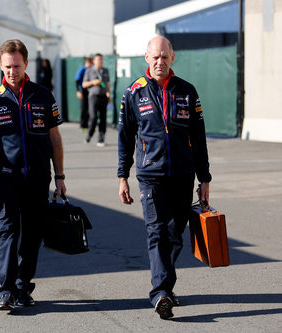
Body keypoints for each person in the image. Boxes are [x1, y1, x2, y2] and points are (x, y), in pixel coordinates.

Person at [117, 36, 212, 320]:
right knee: (156, 231)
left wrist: (204, 177)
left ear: (173, 58)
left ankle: (165, 289)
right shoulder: (133, 92)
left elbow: (199, 137)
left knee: (174, 235)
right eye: (155, 57)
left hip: (182, 175)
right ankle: (160, 293)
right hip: (150, 176)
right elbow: (125, 138)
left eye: (164, 57)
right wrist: (122, 175)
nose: (160, 62)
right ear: (146, 58)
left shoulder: (187, 91)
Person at [0, 39, 66, 311]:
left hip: (38, 178)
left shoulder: (43, 95)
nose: (11, 72)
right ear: (0, 65)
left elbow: (55, 138)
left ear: (26, 63)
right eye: (6, 67)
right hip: (6, 178)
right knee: (6, 232)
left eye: (16, 66)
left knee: (32, 235)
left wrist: (59, 176)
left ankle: (23, 286)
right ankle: (6, 290)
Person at [82, 53, 110, 147]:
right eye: (98, 59)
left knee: (103, 118)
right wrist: (93, 82)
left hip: (103, 96)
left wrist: (108, 94)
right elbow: (84, 84)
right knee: (93, 117)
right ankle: (89, 134)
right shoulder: (89, 71)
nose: (100, 61)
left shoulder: (105, 71)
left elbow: (107, 83)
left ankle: (101, 139)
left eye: (101, 59)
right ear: (94, 61)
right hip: (93, 96)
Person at [75, 57, 92, 131]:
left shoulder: (91, 70)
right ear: (87, 62)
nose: (91, 64)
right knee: (83, 108)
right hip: (83, 90)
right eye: (90, 63)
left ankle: (87, 125)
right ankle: (82, 125)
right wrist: (78, 91)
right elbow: (77, 80)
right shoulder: (82, 70)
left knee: (89, 108)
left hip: (89, 90)